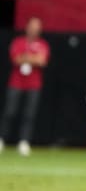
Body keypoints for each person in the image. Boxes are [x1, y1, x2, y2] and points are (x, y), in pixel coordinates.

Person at [0, 17, 50, 156]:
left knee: (29, 114)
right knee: (9, 112)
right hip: (16, 82)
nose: (35, 29)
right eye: (32, 26)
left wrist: (27, 57)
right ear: (27, 27)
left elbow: (42, 61)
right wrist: (33, 57)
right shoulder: (18, 42)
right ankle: (2, 138)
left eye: (37, 27)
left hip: (34, 84)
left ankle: (24, 141)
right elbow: (16, 59)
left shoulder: (42, 44)